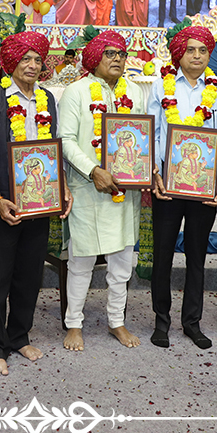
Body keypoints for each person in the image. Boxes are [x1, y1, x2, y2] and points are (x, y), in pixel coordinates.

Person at [0, 19, 73, 376]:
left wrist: (62, 188)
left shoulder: (48, 100)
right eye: (26, 59)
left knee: (29, 276)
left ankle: (19, 336)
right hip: (4, 205)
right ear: (11, 62)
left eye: (37, 59)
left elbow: (54, 151)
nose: (32, 65)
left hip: (39, 204)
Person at [148, 20, 217, 349]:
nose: (197, 56)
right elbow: (153, 134)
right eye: (190, 50)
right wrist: (154, 173)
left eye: (203, 50)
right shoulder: (161, 87)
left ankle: (192, 323)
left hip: (203, 186)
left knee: (197, 256)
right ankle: (161, 321)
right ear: (178, 54)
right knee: (163, 254)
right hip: (167, 184)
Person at [58, 27, 143, 352]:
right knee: (81, 261)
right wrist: (93, 170)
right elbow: (65, 140)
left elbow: (142, 138)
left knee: (122, 262)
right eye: (110, 53)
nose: (117, 59)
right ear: (94, 58)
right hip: (87, 188)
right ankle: (74, 324)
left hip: (124, 191)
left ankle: (116, 321)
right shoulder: (77, 92)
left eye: (121, 54)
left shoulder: (134, 92)